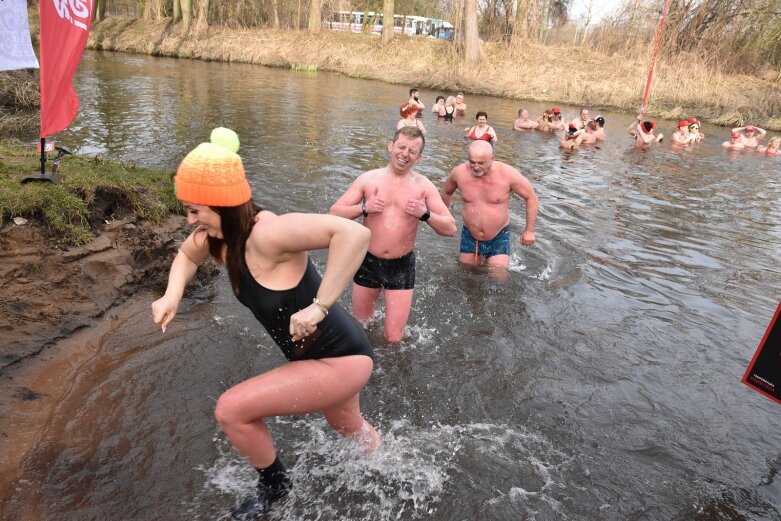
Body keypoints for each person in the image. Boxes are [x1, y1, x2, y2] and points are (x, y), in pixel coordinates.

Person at [152, 136, 379, 520]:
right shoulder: (216, 240)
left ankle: (276, 487)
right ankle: (387, 469)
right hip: (324, 357)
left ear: (224, 204)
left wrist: (319, 307)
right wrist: (172, 295)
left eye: (195, 210)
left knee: (231, 410)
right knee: (348, 427)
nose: (190, 220)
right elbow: (185, 256)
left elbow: (355, 234)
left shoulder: (269, 234)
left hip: (341, 359)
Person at [329, 127, 456, 343]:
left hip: (401, 265)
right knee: (361, 327)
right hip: (367, 260)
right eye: (401, 147)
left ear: (419, 157)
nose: (405, 154)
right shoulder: (368, 179)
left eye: (412, 151)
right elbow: (334, 213)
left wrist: (424, 214)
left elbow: (450, 228)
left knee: (394, 338)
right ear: (391, 146)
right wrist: (363, 208)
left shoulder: (424, 186)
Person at [441, 141, 538, 276]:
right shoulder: (459, 173)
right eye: (472, 162)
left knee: (498, 276)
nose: (475, 167)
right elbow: (446, 192)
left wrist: (529, 231)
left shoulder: (508, 174)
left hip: (498, 235)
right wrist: (444, 219)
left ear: (493, 158)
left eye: (481, 163)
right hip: (470, 234)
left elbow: (531, 197)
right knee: (466, 273)